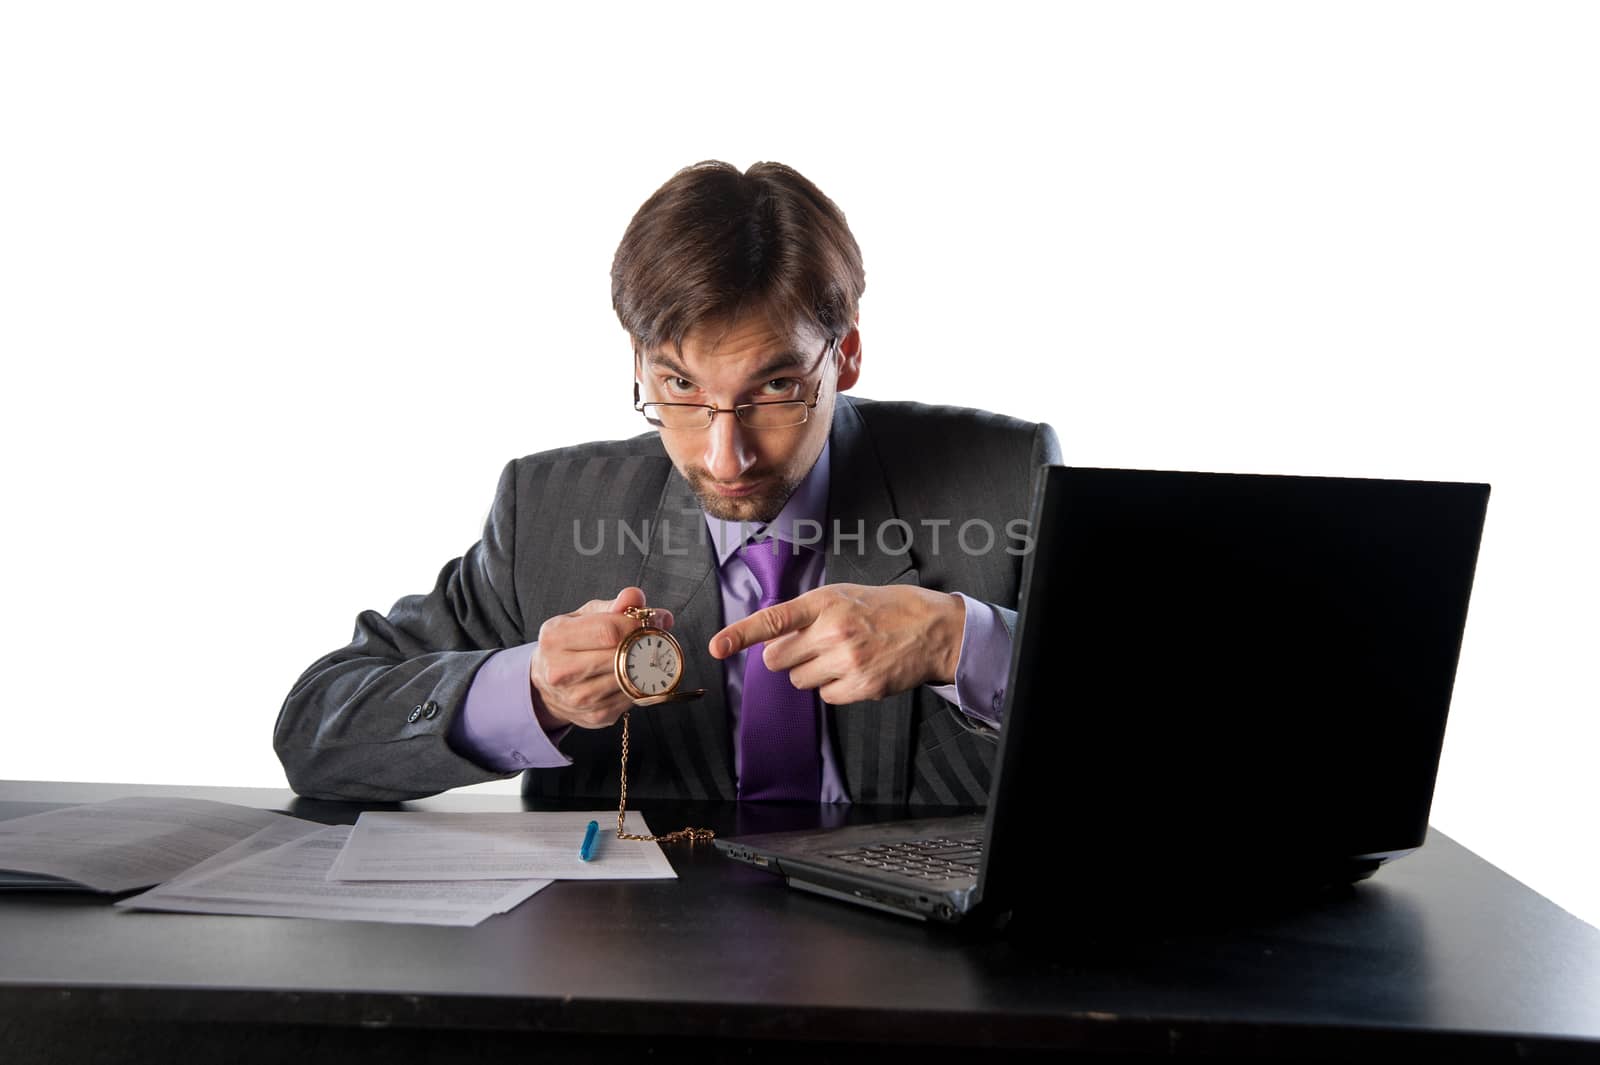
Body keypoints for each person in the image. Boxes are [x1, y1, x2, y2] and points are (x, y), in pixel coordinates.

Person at [274, 161, 1060, 805]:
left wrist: (966, 643)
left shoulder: (1002, 479)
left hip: (915, 982)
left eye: (777, 388)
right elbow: (315, 728)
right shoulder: (547, 509)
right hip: (630, 974)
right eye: (679, 387)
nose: (725, 455)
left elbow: (1170, 748)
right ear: (638, 364)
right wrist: (531, 691)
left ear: (844, 355)